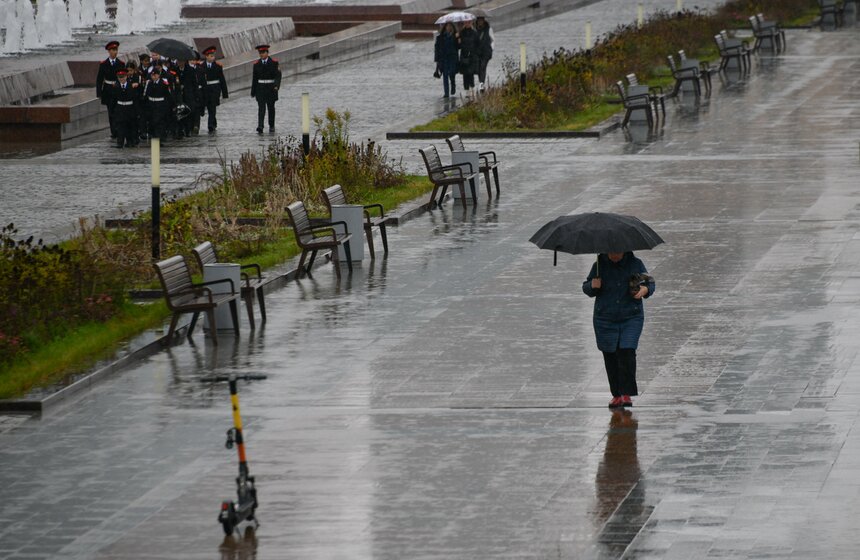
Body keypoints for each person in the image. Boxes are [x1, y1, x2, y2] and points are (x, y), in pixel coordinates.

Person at [582, 252, 655, 409]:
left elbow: (650, 283)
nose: (614, 255)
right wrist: (592, 286)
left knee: (627, 351)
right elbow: (587, 287)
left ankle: (626, 394)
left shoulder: (635, 264)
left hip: (631, 317)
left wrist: (645, 290)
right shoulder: (598, 266)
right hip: (605, 319)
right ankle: (616, 394)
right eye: (611, 252)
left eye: (618, 252)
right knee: (610, 354)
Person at [95, 40, 126, 140]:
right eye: (113, 50)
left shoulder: (121, 63)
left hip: (118, 89)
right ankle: (113, 131)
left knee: (119, 111)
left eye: (116, 50)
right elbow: (99, 79)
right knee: (111, 112)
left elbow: (125, 78)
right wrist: (99, 93)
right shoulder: (103, 64)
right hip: (108, 90)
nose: (115, 52)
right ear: (109, 51)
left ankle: (119, 130)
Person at [250, 44, 282, 133]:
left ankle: (271, 125)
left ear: (267, 52)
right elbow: (254, 79)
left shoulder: (274, 63)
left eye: (263, 52)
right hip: (260, 89)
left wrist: (276, 85)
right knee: (261, 108)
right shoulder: (256, 64)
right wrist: (253, 91)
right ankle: (260, 126)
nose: (261, 55)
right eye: (260, 53)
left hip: (271, 88)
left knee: (271, 108)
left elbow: (278, 76)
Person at [142, 66, 174, 143]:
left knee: (160, 122)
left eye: (155, 75)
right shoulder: (149, 83)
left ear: (159, 75)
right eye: (152, 75)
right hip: (151, 105)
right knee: (152, 122)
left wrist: (170, 106)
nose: (154, 76)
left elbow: (168, 95)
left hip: (160, 105)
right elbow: (146, 95)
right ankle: (155, 138)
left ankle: (160, 138)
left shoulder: (164, 83)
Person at [200, 46, 229, 133]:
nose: (212, 58)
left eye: (213, 56)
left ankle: (210, 125)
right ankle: (213, 122)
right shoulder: (201, 66)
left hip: (215, 89)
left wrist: (225, 93)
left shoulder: (218, 66)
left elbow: (222, 80)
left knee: (212, 107)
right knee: (209, 107)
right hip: (206, 89)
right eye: (211, 56)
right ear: (206, 56)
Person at [111, 70, 139, 148]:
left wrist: (137, 111)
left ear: (126, 77)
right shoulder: (115, 87)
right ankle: (120, 142)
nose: (121, 79)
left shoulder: (131, 86)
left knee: (130, 125)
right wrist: (112, 110)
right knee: (120, 126)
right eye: (119, 77)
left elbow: (135, 99)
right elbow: (113, 100)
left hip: (130, 108)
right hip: (120, 108)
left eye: (123, 77)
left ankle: (130, 141)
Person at [175, 59, 200, 137]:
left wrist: (196, 95)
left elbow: (194, 83)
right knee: (181, 112)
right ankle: (184, 129)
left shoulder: (190, 70)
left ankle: (190, 128)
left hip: (189, 94)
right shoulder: (175, 70)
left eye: (181, 61)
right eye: (178, 61)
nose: (180, 63)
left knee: (190, 111)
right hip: (179, 95)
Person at [434, 23, 458, 98]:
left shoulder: (455, 36)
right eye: (447, 26)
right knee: (445, 75)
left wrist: (458, 39)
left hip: (452, 59)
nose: (449, 27)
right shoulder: (440, 37)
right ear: (444, 27)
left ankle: (453, 84)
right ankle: (446, 93)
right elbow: (437, 49)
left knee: (451, 73)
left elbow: (459, 47)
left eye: (450, 26)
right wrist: (437, 59)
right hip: (443, 59)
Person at [456, 20, 479, 97]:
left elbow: (478, 44)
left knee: (471, 73)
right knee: (465, 74)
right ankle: (466, 90)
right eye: (465, 22)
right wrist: (458, 40)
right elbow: (458, 47)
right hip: (464, 56)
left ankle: (472, 88)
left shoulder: (475, 33)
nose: (467, 24)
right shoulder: (461, 33)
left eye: (468, 22)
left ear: (471, 23)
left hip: (472, 56)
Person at [475, 17, 493, 92]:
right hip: (478, 52)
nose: (480, 22)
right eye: (478, 21)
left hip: (486, 52)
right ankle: (481, 83)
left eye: (481, 20)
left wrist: (491, 49)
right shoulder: (475, 30)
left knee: (482, 67)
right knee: (479, 69)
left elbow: (493, 40)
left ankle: (481, 84)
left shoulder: (488, 29)